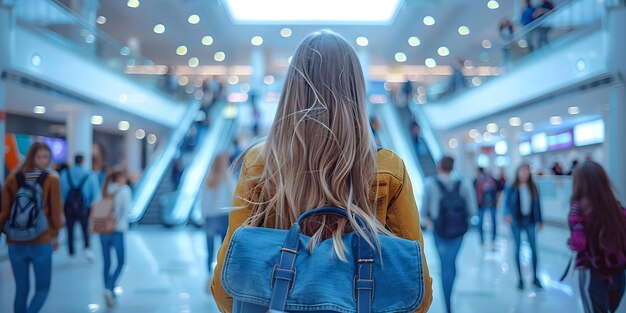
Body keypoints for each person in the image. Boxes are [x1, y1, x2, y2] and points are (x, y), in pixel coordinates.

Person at [210, 30, 433, 312]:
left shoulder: (260, 164)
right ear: (356, 89)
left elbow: (224, 291)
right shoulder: (387, 169)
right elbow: (418, 294)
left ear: (292, 89)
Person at [0, 142, 64, 313]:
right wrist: (55, 235)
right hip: (41, 241)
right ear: (33, 157)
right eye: (40, 157)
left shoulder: (13, 178)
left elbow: (4, 212)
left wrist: (7, 234)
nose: (43, 161)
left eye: (46, 157)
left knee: (21, 290)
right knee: (42, 288)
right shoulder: (52, 178)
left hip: (15, 242)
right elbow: (56, 213)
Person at [568, 161, 626, 313]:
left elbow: (578, 244)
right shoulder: (617, 208)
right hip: (618, 273)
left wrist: (571, 242)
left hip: (593, 274)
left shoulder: (578, 210)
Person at [422, 156, 476, 313]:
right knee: (451, 263)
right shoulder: (464, 183)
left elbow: (424, 210)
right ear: (452, 167)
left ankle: (447, 304)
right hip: (459, 231)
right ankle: (449, 299)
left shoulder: (430, 184)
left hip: (438, 230)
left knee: (445, 264)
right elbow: (472, 210)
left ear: (439, 166)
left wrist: (427, 220)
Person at [504, 163, 544, 290]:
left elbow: (537, 205)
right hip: (516, 221)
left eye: (526, 172)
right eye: (521, 171)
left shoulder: (533, 187)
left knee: (534, 249)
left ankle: (535, 277)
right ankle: (520, 278)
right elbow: (506, 204)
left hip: (530, 221)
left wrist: (540, 220)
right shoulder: (512, 187)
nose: (523, 174)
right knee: (518, 248)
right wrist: (507, 215)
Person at [99, 170, 132, 308]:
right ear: (121, 177)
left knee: (106, 262)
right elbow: (127, 210)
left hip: (104, 230)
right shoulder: (125, 190)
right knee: (121, 262)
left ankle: (108, 289)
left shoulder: (106, 188)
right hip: (118, 230)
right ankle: (110, 287)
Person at [201, 153, 233, 293]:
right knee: (223, 248)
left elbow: (204, 199)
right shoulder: (228, 177)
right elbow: (233, 198)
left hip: (210, 217)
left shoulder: (209, 177)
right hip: (224, 216)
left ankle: (209, 275)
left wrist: (203, 216)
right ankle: (220, 276)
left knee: (209, 249)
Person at [60, 154, 100, 261]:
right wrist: (93, 210)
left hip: (68, 207)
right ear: (83, 161)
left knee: (69, 229)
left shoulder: (65, 174)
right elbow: (95, 195)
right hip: (84, 208)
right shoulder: (90, 175)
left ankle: (71, 250)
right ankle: (86, 247)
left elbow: (61, 193)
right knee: (85, 229)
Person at [474, 167, 499, 247]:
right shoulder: (491, 180)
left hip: (484, 204)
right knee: (491, 221)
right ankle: (492, 238)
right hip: (487, 204)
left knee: (482, 221)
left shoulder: (477, 181)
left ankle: (484, 238)